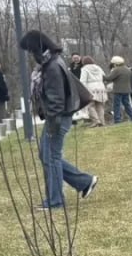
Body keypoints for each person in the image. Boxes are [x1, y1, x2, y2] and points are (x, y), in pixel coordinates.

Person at [19, 30, 98, 211]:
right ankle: (85, 182)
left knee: (51, 158)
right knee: (46, 156)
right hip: (57, 118)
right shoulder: (52, 63)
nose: (30, 55)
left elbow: (57, 100)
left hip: (58, 119)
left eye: (30, 51)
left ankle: (55, 201)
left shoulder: (52, 66)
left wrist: (52, 126)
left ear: (37, 48)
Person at [104, 56, 132, 123]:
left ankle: (117, 119)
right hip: (127, 90)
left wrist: (102, 76)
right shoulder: (127, 69)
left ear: (115, 63)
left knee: (117, 105)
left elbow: (109, 78)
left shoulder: (116, 70)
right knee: (127, 105)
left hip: (118, 90)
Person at [79, 55, 109, 128]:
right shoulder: (98, 67)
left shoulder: (85, 69)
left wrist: (82, 90)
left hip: (90, 88)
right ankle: (102, 122)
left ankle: (96, 121)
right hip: (101, 87)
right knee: (100, 106)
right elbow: (104, 76)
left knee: (89, 105)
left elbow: (83, 81)